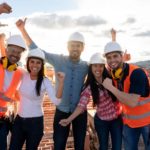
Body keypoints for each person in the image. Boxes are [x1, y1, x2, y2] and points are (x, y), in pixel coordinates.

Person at [16, 19, 88, 150]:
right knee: (59, 144)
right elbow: (36, 49)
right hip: (61, 111)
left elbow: (101, 71)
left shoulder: (86, 66)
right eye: (72, 45)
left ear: (83, 48)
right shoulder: (58, 60)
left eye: (78, 45)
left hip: (79, 113)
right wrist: (22, 30)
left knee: (80, 145)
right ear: (68, 47)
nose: (75, 48)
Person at [59, 52, 123, 150]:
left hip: (116, 120)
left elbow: (120, 68)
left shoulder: (112, 78)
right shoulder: (89, 87)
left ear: (104, 67)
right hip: (102, 121)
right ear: (91, 68)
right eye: (95, 66)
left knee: (117, 147)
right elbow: (81, 106)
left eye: (100, 66)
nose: (98, 69)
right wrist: (69, 120)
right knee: (103, 147)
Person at [102, 29, 150, 150]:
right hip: (129, 123)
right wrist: (113, 38)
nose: (112, 60)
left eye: (115, 56)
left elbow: (133, 102)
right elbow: (112, 61)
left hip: (148, 122)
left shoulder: (137, 73)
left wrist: (111, 88)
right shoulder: (115, 73)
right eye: (109, 57)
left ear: (122, 57)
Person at [9, 48, 65, 149]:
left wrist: (61, 82)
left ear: (41, 65)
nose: (35, 65)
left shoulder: (45, 81)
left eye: (38, 62)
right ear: (28, 62)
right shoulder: (22, 74)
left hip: (35, 123)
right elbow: (8, 65)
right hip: (19, 121)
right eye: (32, 62)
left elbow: (56, 101)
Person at [0, 34, 26, 150]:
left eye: (19, 53)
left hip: (3, 120)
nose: (15, 55)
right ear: (6, 50)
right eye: (13, 51)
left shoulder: (20, 73)